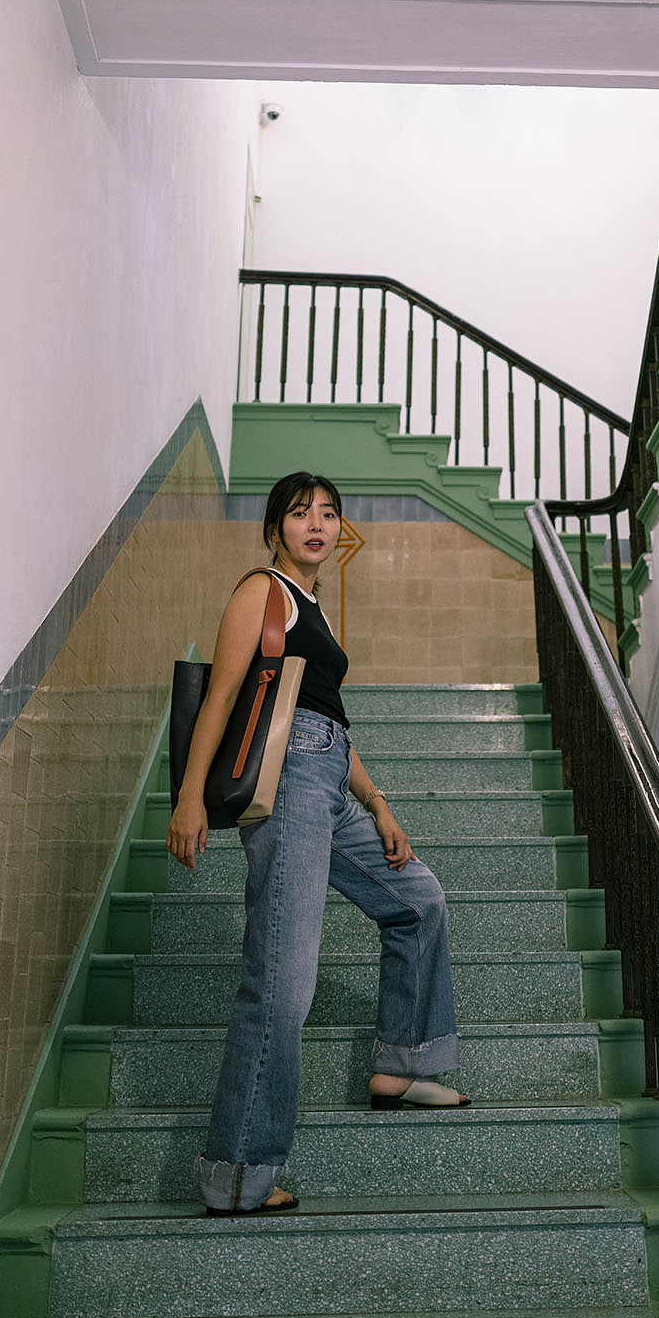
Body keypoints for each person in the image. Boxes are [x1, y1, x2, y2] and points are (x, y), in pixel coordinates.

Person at [166, 469, 469, 1215]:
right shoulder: (260, 591)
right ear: (275, 528)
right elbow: (224, 695)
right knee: (282, 979)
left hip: (328, 777)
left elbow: (327, 717)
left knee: (418, 900)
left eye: (328, 514)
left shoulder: (317, 610)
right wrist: (189, 797)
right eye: (301, 513)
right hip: (289, 783)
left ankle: (402, 1066)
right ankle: (239, 1173)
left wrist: (377, 801)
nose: (317, 525)